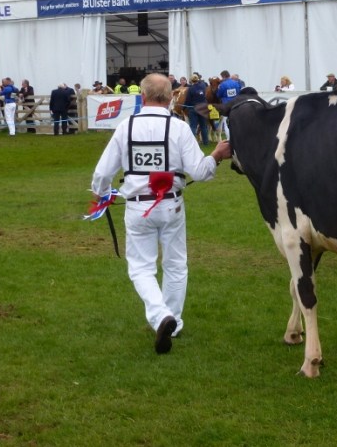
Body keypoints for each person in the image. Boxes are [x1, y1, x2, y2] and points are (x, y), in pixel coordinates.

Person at [90, 73, 232, 354]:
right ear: (170, 98)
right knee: (176, 265)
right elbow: (200, 172)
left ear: (142, 97)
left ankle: (160, 316)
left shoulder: (126, 127)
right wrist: (216, 155)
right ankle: (172, 321)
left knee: (141, 267)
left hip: (137, 205)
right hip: (172, 204)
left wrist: (100, 192)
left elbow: (103, 172)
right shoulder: (178, 128)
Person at [184, 74, 209, 145]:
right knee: (203, 126)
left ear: (191, 81)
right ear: (198, 79)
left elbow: (188, 99)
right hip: (203, 108)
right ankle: (206, 142)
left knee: (193, 126)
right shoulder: (203, 87)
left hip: (193, 108)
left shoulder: (190, 89)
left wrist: (184, 107)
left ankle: (192, 143)